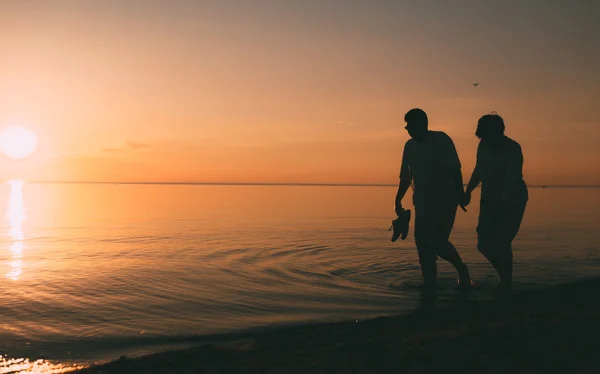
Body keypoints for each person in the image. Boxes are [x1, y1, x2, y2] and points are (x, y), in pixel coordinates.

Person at [395, 108, 472, 290]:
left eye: (410, 125)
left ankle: (462, 271)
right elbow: (405, 177)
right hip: (421, 202)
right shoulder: (409, 146)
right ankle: (430, 284)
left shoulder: (442, 140)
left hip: (445, 200)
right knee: (422, 246)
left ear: (422, 124)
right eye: (406, 125)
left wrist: (461, 195)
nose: (407, 129)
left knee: (437, 242)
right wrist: (397, 200)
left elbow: (455, 169)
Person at [463, 113, 528, 292]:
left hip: (513, 198)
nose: (484, 138)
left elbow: (512, 178)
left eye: (487, 134)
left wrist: (503, 203)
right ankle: (505, 278)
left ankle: (506, 283)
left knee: (502, 241)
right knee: (483, 244)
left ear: (498, 131)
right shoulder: (483, 144)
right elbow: (479, 169)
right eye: (481, 134)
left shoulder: (513, 147)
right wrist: (468, 191)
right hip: (489, 196)